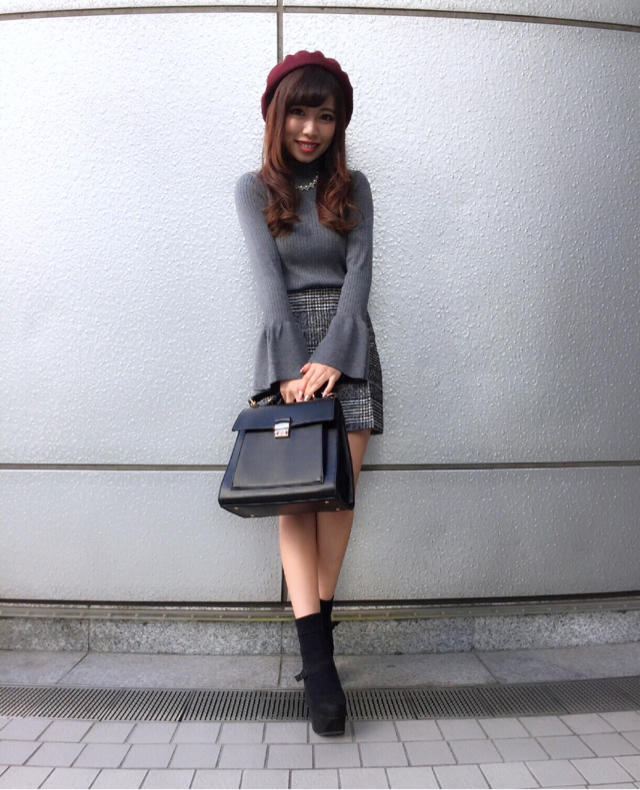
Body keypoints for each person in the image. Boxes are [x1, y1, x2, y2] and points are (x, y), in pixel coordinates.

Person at [234, 50, 384, 736]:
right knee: (295, 500)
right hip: (287, 351)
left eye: (325, 116)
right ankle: (318, 665)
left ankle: (318, 646)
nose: (310, 128)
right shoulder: (253, 189)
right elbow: (267, 283)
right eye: (299, 112)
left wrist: (333, 359)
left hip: (348, 351)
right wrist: (294, 368)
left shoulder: (354, 187)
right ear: (275, 115)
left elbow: (360, 275)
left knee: (337, 499)